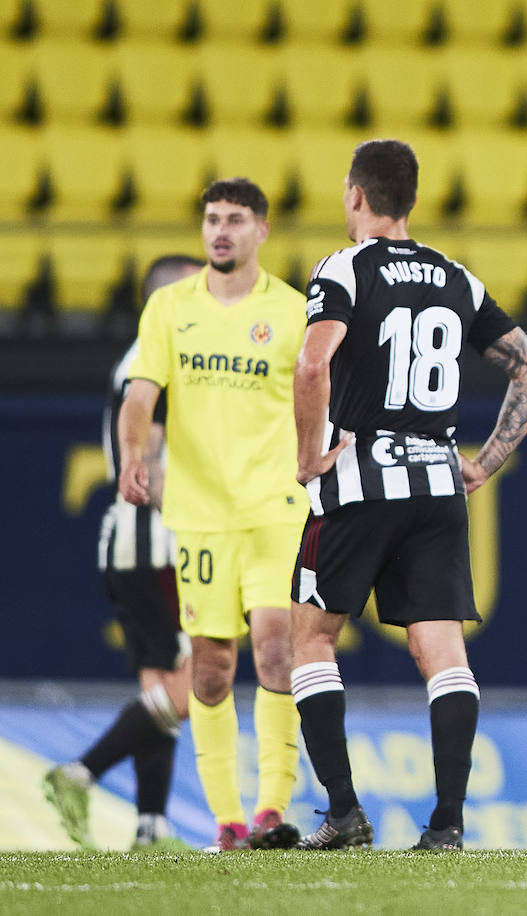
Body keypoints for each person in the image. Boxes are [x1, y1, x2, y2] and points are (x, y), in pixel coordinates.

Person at [289, 139, 527, 850]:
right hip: (438, 482)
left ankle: (343, 814)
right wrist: (485, 463)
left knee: (311, 640)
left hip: (360, 477)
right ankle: (447, 824)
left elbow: (313, 364)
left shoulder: (343, 269)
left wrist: (307, 456)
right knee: (444, 656)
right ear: (409, 198)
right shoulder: (454, 277)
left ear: (355, 195)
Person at [118, 179, 308, 852]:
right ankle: (227, 819)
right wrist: (132, 454)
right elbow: (142, 391)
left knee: (279, 649)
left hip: (275, 507)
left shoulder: (291, 311)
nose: (220, 231)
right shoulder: (171, 308)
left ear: (261, 230)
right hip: (199, 513)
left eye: (234, 219)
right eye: (211, 220)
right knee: (210, 667)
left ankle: (271, 810)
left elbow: (320, 396)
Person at [43, 254, 203, 851]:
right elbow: (153, 459)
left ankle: (150, 825)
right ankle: (79, 772)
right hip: (159, 540)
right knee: (202, 678)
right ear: (166, 300)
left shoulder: (138, 358)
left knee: (158, 683)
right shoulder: (157, 360)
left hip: (128, 539)